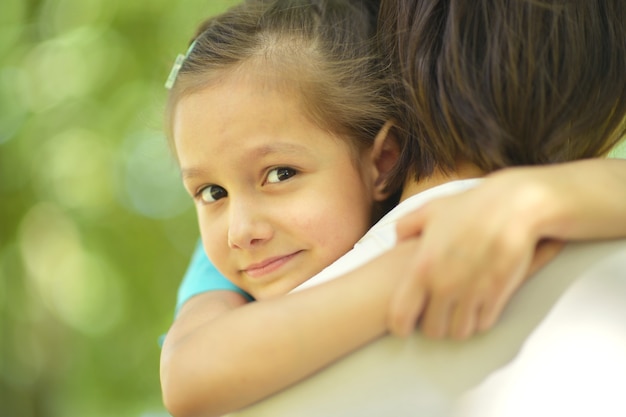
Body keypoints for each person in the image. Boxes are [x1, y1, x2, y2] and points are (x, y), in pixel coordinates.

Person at [160, 0, 626, 416]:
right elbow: (189, 375)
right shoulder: (232, 259)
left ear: (382, 160)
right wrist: (417, 265)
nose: (240, 230)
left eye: (281, 174)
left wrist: (548, 195)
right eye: (211, 193)